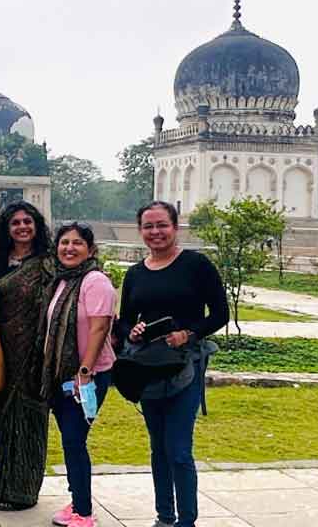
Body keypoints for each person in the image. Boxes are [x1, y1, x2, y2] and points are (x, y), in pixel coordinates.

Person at [115, 201, 228, 527]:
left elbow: (220, 314)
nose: (155, 232)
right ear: (141, 231)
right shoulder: (135, 274)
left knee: (178, 449)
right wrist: (132, 331)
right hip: (149, 367)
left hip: (184, 366)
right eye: (148, 226)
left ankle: (186, 521)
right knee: (158, 449)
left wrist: (188, 334)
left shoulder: (196, 264)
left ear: (175, 227)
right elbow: (124, 323)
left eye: (162, 225)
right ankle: (165, 517)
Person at [0, 201, 56, 510]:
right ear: (6, 230)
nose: (22, 227)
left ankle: (22, 490)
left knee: (26, 421)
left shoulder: (47, 263)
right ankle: (1, 480)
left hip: (34, 354)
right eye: (15, 223)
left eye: (27, 221)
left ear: (36, 226)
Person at [40, 223, 116, 527]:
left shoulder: (94, 281)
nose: (69, 248)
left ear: (90, 249)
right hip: (62, 375)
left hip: (89, 376)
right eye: (64, 242)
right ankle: (77, 501)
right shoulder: (62, 281)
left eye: (77, 243)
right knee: (70, 441)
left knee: (74, 440)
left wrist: (85, 371)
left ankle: (84, 512)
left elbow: (100, 328)